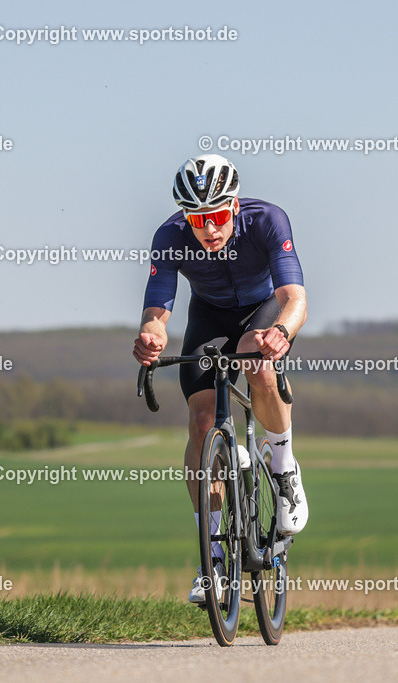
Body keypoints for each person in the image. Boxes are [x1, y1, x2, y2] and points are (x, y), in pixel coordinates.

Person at [132, 154, 309, 604]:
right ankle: (211, 559)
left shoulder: (267, 219)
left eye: (215, 216)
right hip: (208, 315)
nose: (209, 229)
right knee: (201, 422)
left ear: (231, 206)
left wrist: (282, 332)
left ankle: (284, 469)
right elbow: (158, 307)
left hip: (262, 311)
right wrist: (152, 335)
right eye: (197, 219)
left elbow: (294, 296)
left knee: (256, 358)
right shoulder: (170, 236)